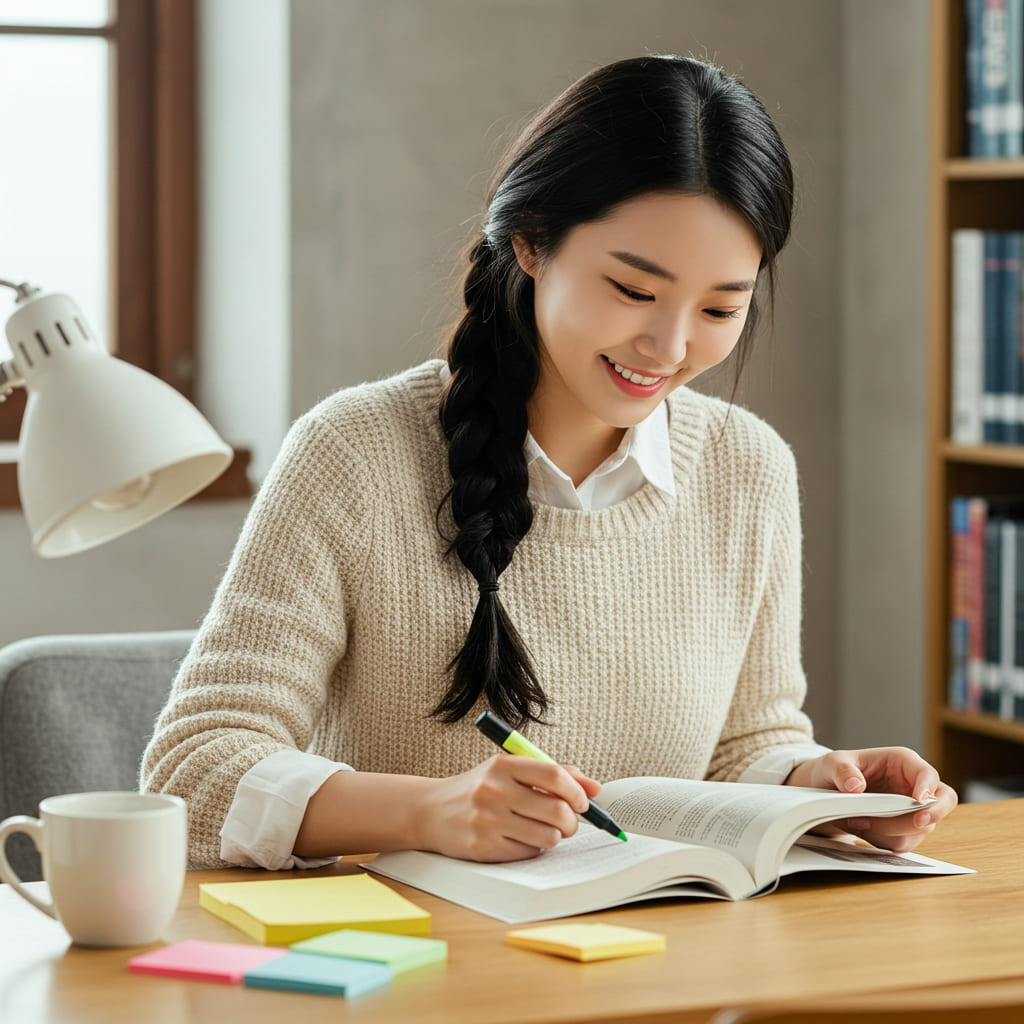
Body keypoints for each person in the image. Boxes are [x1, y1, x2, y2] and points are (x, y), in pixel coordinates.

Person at [141, 54, 957, 870]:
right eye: (634, 291)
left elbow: (745, 742)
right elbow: (194, 769)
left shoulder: (749, 470)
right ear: (531, 241)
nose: (669, 347)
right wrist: (431, 811)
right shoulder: (356, 452)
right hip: (410, 974)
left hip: (657, 968)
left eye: (720, 308)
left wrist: (818, 785)